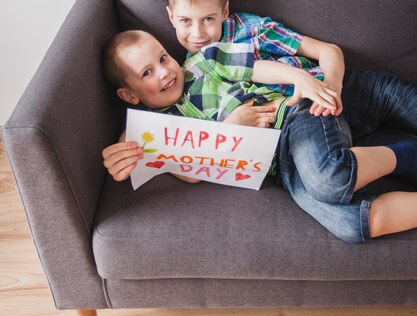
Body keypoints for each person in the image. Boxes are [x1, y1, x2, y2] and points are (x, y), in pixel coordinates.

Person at [101, 28, 417, 243]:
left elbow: (258, 69)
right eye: (147, 73)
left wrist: (301, 79)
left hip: (295, 115)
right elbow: (192, 174)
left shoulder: (202, 63)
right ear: (129, 96)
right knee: (350, 226)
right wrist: (125, 143)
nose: (164, 71)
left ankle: (406, 156)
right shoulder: (164, 128)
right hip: (281, 165)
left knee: (328, 178)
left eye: (162, 58)